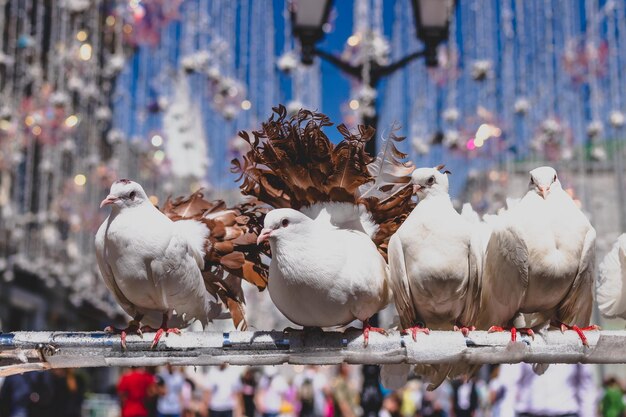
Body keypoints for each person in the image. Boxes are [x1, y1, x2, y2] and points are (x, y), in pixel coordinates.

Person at [502, 363, 597, 417]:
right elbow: (509, 384)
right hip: (528, 413)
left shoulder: (576, 337)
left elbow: (586, 384)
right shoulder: (522, 336)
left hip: (566, 412)